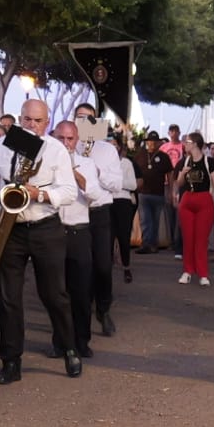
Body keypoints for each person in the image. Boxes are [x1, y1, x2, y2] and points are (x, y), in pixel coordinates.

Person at [0, 99, 82, 384]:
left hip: (45, 226)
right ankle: (11, 361)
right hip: (10, 228)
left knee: (54, 294)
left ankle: (69, 347)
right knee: (8, 297)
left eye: (38, 121)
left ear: (47, 122)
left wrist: (39, 194)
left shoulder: (55, 150)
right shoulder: (2, 145)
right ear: (19, 118)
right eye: (27, 119)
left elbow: (69, 191)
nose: (32, 125)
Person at [55, 119, 112, 356]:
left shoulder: (87, 164)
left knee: (80, 292)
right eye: (61, 138)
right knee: (57, 293)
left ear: (76, 141)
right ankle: (60, 343)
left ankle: (81, 341)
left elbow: (96, 196)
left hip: (79, 231)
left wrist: (78, 178)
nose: (66, 143)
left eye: (70, 139)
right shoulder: (45, 161)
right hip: (54, 231)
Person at [73, 104, 122, 334]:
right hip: (76, 213)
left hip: (100, 212)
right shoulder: (68, 145)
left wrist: (95, 169)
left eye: (88, 118)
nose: (83, 122)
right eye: (79, 117)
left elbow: (116, 184)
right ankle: (79, 314)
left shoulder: (107, 150)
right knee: (80, 267)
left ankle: (104, 308)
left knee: (103, 266)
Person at [171, 132, 214, 285]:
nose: (185, 144)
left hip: (204, 199)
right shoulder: (184, 162)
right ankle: (187, 271)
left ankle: (203, 273)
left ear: (195, 143)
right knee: (188, 238)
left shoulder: (209, 161)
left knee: (201, 239)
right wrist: (182, 175)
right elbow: (178, 184)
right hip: (187, 199)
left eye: (188, 142)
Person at [133, 133, 171, 255]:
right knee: (145, 220)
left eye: (155, 141)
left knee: (155, 221)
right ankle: (146, 244)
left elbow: (170, 174)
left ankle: (153, 244)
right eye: (150, 141)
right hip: (143, 193)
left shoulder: (164, 157)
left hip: (159, 193)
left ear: (159, 143)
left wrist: (170, 190)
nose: (152, 143)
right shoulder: (140, 155)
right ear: (146, 142)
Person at [110, 127, 137, 286]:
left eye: (115, 144)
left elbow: (132, 185)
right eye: (110, 144)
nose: (113, 147)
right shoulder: (101, 163)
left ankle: (126, 267)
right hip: (108, 202)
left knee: (124, 238)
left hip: (123, 203)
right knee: (107, 238)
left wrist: (114, 183)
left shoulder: (126, 163)